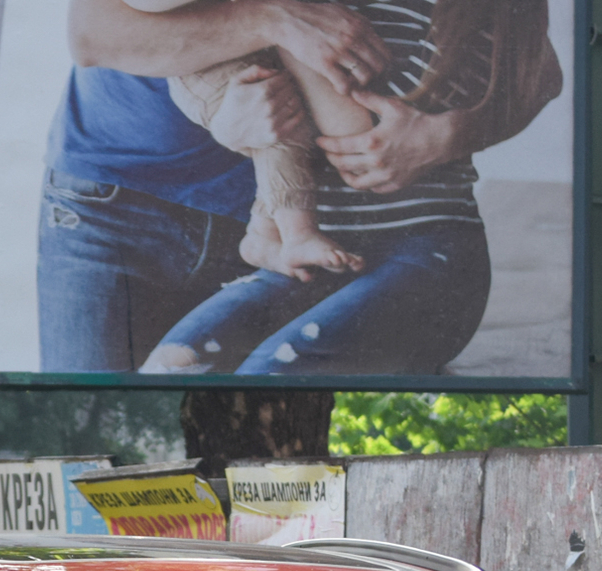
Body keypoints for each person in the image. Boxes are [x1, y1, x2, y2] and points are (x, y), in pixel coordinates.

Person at [141, 0, 562, 377]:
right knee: (166, 367)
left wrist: (287, 27)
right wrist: (227, 109)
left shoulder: (464, 12)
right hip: (317, 256)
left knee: (271, 373)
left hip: (432, 254)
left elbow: (364, 140)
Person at [38, 0, 391, 371]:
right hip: (110, 202)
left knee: (223, 420)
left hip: (274, 220)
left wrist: (450, 133)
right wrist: (275, 19)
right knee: (91, 409)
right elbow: (91, 35)